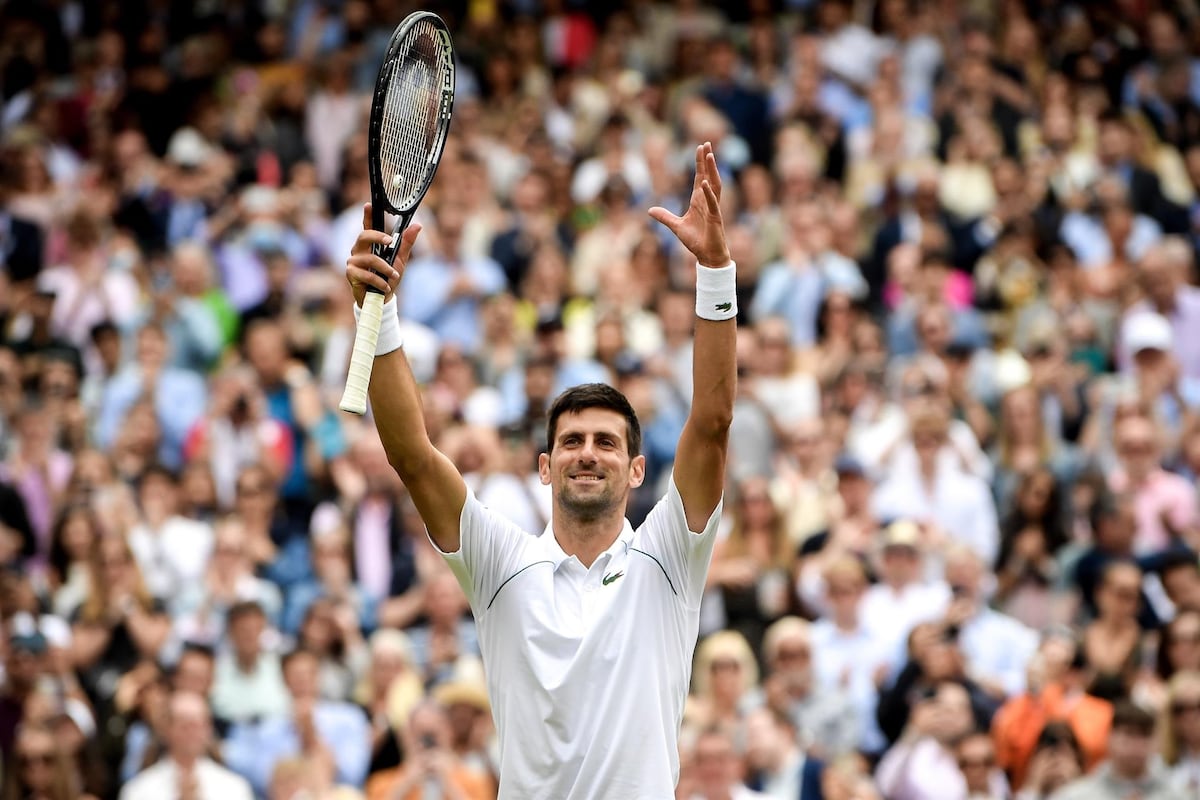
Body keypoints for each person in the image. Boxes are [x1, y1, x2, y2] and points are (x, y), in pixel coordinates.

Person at [343, 142, 737, 798]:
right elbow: (412, 457)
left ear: (638, 470)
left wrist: (717, 272)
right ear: (545, 468)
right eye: (573, 441)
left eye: (608, 443)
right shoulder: (501, 565)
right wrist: (375, 314)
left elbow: (714, 422)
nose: (589, 451)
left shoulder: (670, 557)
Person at [118, 690, 253, 800]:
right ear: (166, 729)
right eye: (184, 725)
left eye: (198, 725)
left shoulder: (235, 788)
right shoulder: (138, 790)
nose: (192, 733)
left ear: (209, 729)